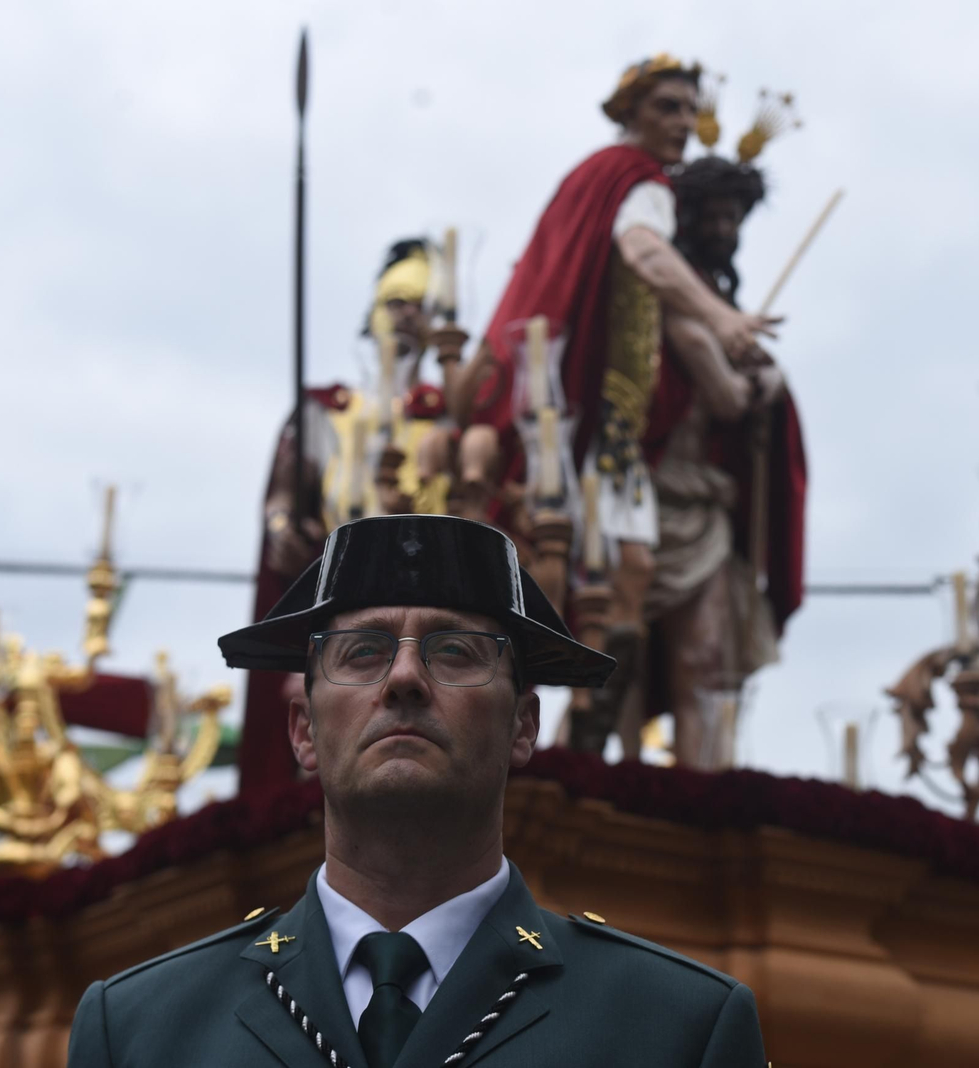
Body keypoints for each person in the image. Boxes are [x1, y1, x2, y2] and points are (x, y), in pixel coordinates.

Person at [66, 514, 767, 1068]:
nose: (403, 678)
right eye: (363, 651)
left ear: (524, 725)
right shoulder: (140, 1031)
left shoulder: (675, 1027)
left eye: (454, 651)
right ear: (303, 730)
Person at [449, 55, 780, 753]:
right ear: (630, 112)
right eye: (667, 108)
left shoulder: (588, 177)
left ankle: (576, 741)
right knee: (618, 574)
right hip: (599, 416)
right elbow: (645, 252)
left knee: (614, 576)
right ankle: (551, 740)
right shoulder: (639, 183)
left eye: (690, 110)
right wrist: (723, 320)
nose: (683, 124)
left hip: (565, 406)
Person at [626, 154, 807, 767]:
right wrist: (752, 384)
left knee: (705, 654)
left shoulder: (718, 307)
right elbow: (726, 395)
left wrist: (769, 380)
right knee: (620, 655)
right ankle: (620, 775)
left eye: (736, 220)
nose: (727, 232)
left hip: (704, 506)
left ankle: (704, 785)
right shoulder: (676, 304)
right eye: (717, 217)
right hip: (641, 499)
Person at [239, 239, 439, 796]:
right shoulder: (324, 413)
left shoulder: (453, 423)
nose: (406, 314)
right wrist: (282, 530)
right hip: (340, 608)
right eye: (396, 299)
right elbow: (281, 498)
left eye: (421, 303)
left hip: (433, 616)